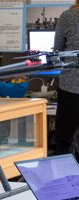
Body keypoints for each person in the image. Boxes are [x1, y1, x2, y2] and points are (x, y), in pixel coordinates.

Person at [53, 1, 79, 161]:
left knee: (64, 142)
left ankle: (65, 183)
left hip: (70, 88)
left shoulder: (68, 16)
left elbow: (57, 51)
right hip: (70, 87)